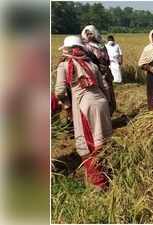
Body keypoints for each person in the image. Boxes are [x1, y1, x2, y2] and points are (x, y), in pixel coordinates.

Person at [54, 36, 113, 190]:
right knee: (103, 140)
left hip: (84, 106)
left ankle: (98, 183)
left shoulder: (65, 65)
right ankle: (106, 174)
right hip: (101, 102)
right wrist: (106, 103)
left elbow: (59, 91)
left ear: (67, 50)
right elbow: (105, 86)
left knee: (87, 144)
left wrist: (66, 105)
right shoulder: (91, 63)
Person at [81, 25, 116, 115]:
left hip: (106, 73)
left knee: (109, 93)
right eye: (87, 34)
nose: (89, 35)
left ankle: (109, 115)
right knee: (101, 94)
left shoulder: (101, 45)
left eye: (91, 33)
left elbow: (107, 59)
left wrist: (106, 67)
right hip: (95, 73)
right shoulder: (86, 47)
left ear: (95, 33)